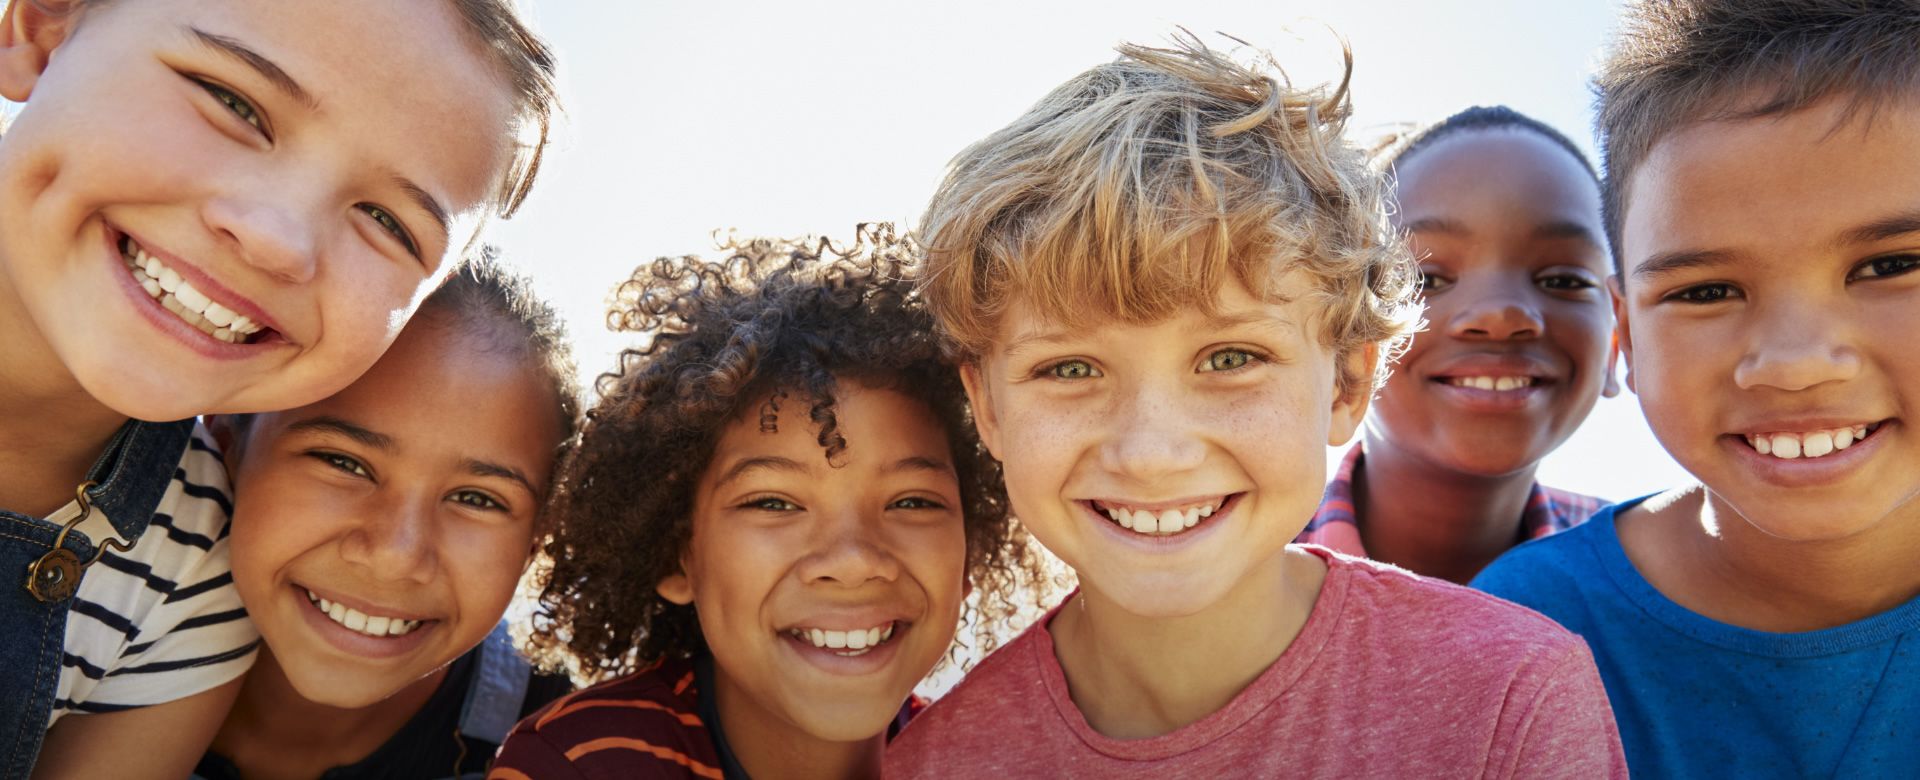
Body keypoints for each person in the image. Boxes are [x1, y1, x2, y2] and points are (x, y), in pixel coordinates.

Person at [884, 35, 1627, 778]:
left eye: (1231, 359)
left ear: (1345, 383)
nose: (1152, 452)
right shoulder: (933, 764)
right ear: (986, 405)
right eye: (1070, 368)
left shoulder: (1512, 696)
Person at [0, 0, 557, 774]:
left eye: (388, 222)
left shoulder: (195, 583)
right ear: (44, 27)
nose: (274, 238)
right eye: (233, 102)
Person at [1473, 1, 1920, 775]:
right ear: (1625, 339)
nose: (1794, 363)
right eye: (1706, 291)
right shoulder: (1523, 632)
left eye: (1888, 267)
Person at [489, 227, 1043, 780]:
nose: (853, 561)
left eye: (913, 503)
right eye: (775, 504)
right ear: (675, 553)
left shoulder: (988, 764)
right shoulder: (582, 764)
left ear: (968, 551)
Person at [195, 252, 576, 779]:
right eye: (344, 463)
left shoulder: (576, 743)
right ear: (224, 441)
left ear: (537, 540)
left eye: (478, 499)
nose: (396, 556)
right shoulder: (84, 622)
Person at [1297, 105, 1616, 583]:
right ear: (1345, 338)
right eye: (1425, 278)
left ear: (1616, 344)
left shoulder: (1660, 583)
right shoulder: (1227, 573)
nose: (1501, 315)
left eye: (1564, 280)